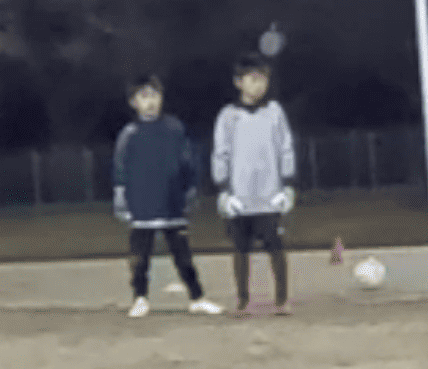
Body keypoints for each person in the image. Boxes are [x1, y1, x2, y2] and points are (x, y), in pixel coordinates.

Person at [114, 75, 223, 319]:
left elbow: (187, 161)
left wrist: (190, 189)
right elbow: (121, 168)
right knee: (140, 258)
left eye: (155, 95)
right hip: (142, 204)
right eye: (144, 96)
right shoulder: (129, 134)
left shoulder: (174, 128)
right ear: (133, 102)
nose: (150, 101)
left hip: (172, 202)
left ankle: (197, 297)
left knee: (183, 255)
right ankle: (140, 298)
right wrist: (121, 196)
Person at [212, 53, 298, 316]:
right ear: (238, 82)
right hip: (240, 198)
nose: (259, 85)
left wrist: (287, 185)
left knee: (276, 247)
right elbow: (221, 153)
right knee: (240, 250)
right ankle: (242, 300)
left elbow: (285, 148)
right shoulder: (228, 116)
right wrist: (224, 191)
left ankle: (281, 299)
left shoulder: (274, 113)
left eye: (263, 79)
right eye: (252, 79)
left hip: (269, 196)